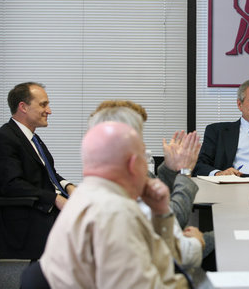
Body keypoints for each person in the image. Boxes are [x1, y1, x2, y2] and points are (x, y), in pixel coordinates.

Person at [40, 121, 188, 288]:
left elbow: (160, 265)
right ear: (133, 164)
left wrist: (161, 215)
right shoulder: (115, 214)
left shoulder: (85, 196)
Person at [88, 102, 214, 268]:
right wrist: (185, 172)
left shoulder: (106, 170)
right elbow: (173, 218)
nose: (144, 145)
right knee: (226, 238)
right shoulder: (126, 177)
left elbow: (159, 200)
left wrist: (170, 168)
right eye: (138, 135)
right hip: (160, 262)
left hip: (154, 252)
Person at [0, 82, 76, 259]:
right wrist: (55, 198)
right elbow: (11, 184)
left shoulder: (33, 139)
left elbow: (48, 174)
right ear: (23, 107)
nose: (49, 111)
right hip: (30, 219)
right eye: (43, 104)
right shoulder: (5, 138)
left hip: (44, 210)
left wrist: (69, 186)